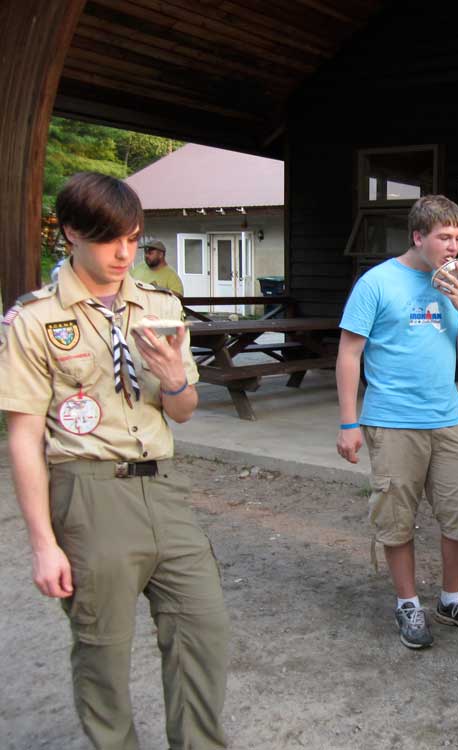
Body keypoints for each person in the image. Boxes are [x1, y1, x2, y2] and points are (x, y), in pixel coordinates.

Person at [0, 172, 229, 749]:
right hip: (88, 494)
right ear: (72, 233)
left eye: (133, 237)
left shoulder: (158, 305)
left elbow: (183, 410)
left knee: (203, 630)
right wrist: (43, 543)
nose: (125, 252)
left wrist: (177, 378)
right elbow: (24, 438)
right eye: (110, 240)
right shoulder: (32, 319)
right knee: (104, 649)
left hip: (165, 489)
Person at [335, 194, 458, 650]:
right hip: (391, 421)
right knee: (396, 518)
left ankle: (451, 599)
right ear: (418, 236)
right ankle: (408, 603)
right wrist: (349, 423)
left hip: (447, 418)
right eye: (444, 237)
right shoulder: (377, 283)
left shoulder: (454, 285)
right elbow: (349, 354)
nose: (452, 246)